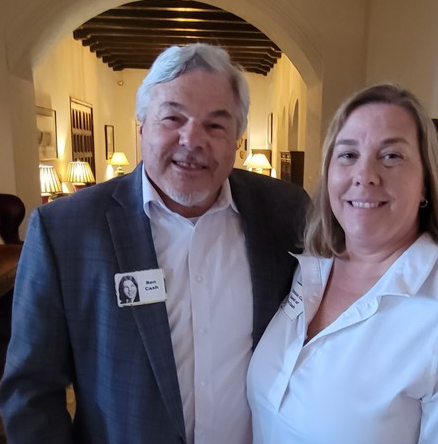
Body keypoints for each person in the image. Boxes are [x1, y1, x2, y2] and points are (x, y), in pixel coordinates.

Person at [0, 43, 309, 444]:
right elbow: (31, 390)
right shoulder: (66, 230)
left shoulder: (285, 213)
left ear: (237, 137)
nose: (192, 140)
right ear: (142, 125)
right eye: (172, 118)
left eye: (216, 125)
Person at [247, 83, 438, 444]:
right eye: (348, 154)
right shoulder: (309, 267)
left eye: (392, 156)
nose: (365, 174)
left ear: (426, 183)